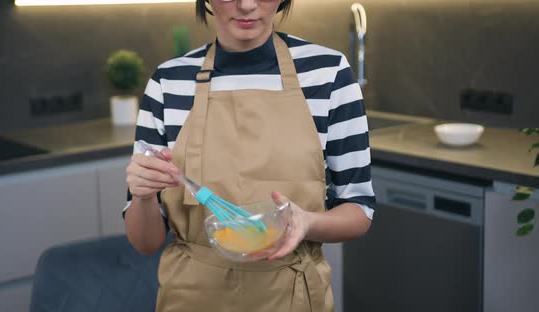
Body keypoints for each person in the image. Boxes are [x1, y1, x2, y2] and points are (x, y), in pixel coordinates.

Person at [123, 0, 376, 311]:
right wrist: (142, 196)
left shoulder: (328, 74)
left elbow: (359, 209)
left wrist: (307, 222)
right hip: (192, 298)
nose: (246, 5)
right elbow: (145, 242)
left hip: (292, 297)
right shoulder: (168, 82)